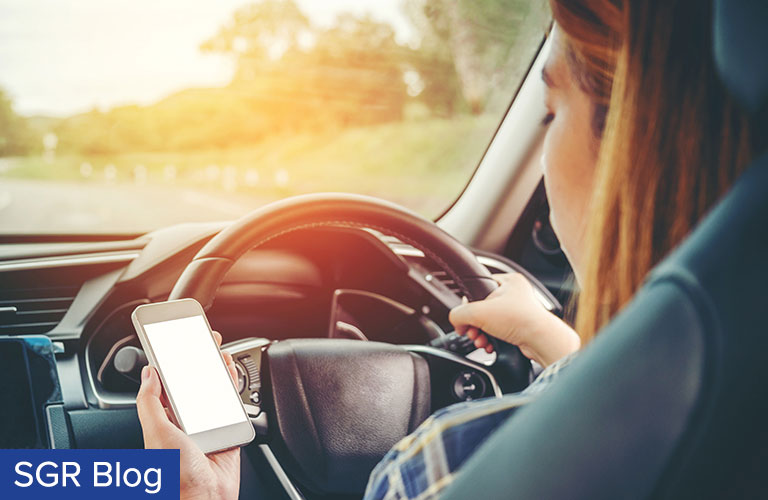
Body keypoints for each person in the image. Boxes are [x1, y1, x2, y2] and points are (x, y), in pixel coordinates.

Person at [136, 0, 761, 498]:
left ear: (630, 145)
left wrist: (203, 496)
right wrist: (547, 338)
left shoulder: (441, 468)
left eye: (550, 110)